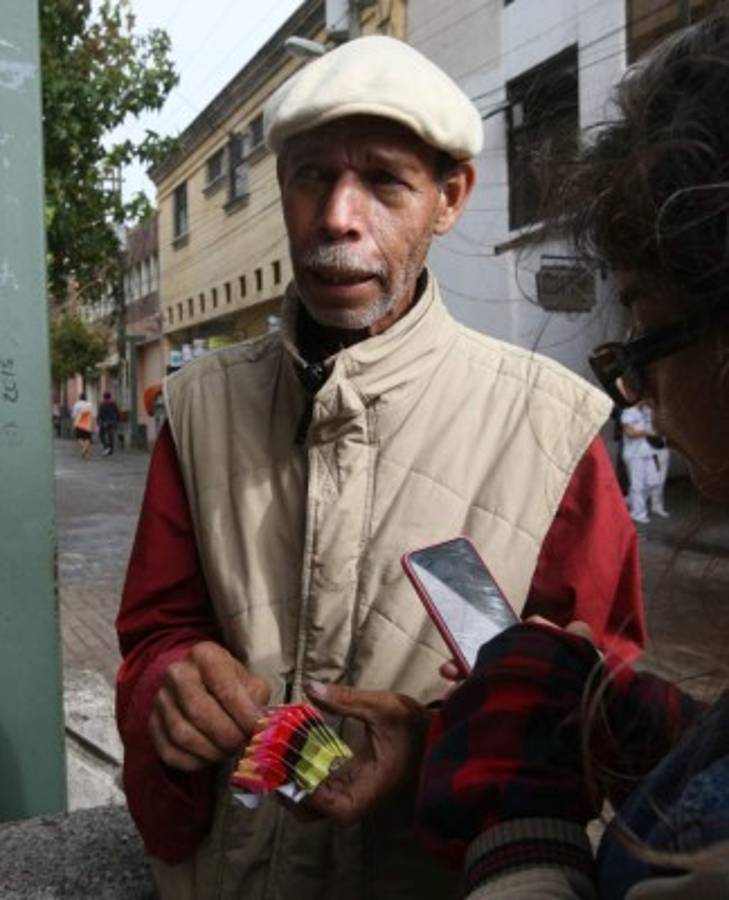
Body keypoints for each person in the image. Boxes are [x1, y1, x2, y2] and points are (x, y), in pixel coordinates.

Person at [116, 36, 645, 900]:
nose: (336, 217)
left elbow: (602, 711)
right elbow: (155, 632)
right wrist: (166, 689)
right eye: (310, 177)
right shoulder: (199, 406)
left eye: (385, 183)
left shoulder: (548, 427)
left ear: (449, 198)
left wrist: (437, 745)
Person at [417, 13, 729, 898]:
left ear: (450, 198)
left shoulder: (558, 418)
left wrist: (521, 820)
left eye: (642, 323)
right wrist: (650, 722)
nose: (639, 388)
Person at [621, 401, 670, 523]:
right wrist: (647, 433)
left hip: (648, 452)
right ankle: (638, 513)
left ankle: (630, 502)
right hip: (634, 454)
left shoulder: (648, 411)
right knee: (638, 485)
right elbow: (629, 433)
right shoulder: (628, 412)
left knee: (654, 481)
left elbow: (656, 426)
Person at [71, 392, 94, 460]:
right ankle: (86, 453)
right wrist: (93, 424)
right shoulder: (89, 404)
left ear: (80, 398)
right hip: (88, 424)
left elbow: (74, 415)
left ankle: (83, 448)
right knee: (87, 438)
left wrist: (73, 424)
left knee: (79, 438)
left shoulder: (77, 404)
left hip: (79, 424)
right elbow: (92, 415)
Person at [97, 391, 120, 457]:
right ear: (110, 397)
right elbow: (117, 412)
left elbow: (100, 414)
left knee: (101, 435)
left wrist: (98, 421)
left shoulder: (102, 404)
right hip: (113, 422)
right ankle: (111, 450)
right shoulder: (114, 403)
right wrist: (117, 420)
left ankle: (106, 446)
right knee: (111, 436)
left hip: (105, 423)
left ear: (104, 397)